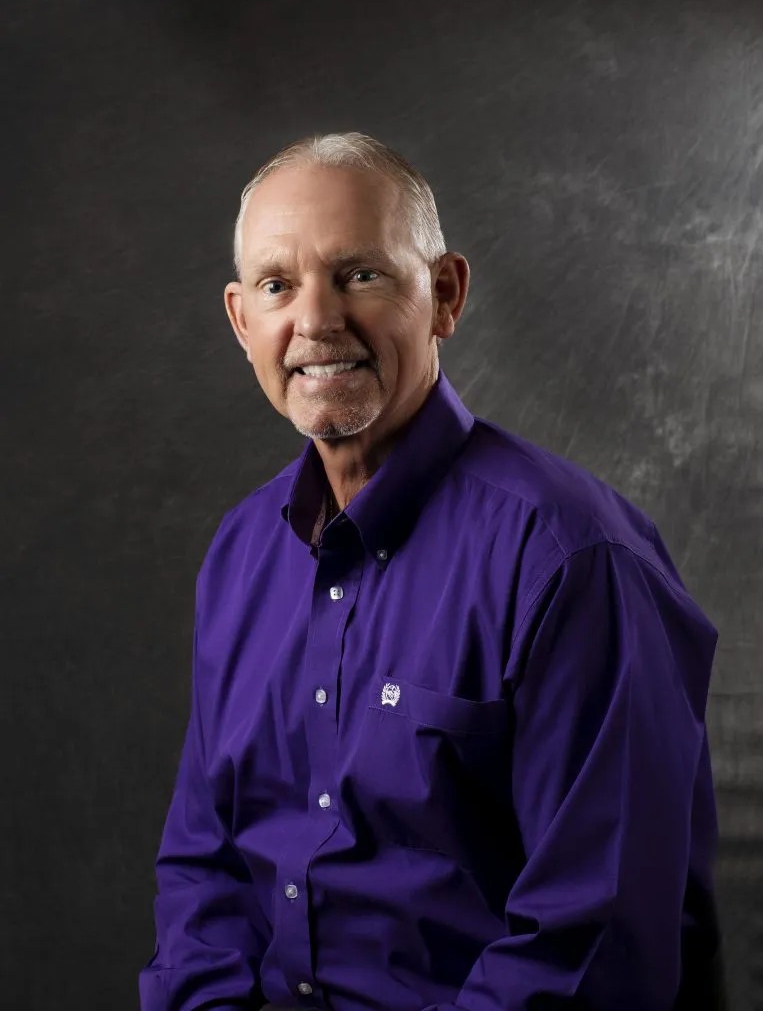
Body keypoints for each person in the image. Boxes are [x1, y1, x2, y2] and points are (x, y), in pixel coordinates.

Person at [139, 132, 723, 1011]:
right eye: (276, 286)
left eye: (359, 275)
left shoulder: (572, 560)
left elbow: (592, 948)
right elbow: (204, 869)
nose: (316, 321)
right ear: (240, 321)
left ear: (443, 295)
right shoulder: (239, 553)